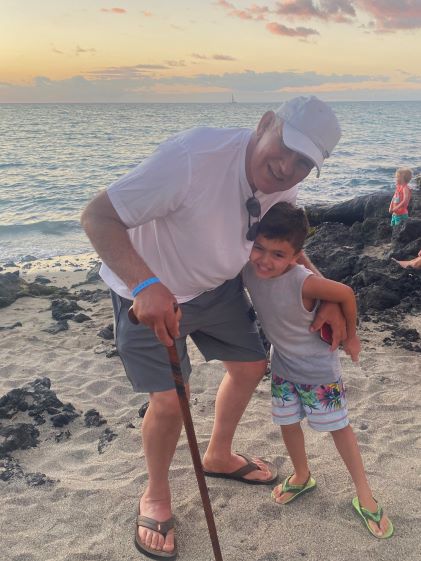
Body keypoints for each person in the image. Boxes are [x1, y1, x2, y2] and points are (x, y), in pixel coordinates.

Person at [81, 96, 344, 559]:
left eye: (304, 162)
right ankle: (157, 494)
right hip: (149, 293)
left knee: (250, 366)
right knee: (169, 402)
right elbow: (97, 216)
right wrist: (145, 283)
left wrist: (324, 295)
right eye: (284, 148)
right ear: (265, 124)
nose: (286, 168)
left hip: (216, 288)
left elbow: (285, 245)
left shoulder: (283, 186)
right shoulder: (193, 158)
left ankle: (218, 454)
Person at [243, 202, 394, 539]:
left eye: (278, 254)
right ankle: (301, 475)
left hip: (319, 374)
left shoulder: (305, 282)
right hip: (282, 366)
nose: (266, 260)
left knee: (339, 428)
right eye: (259, 248)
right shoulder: (249, 269)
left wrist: (352, 337)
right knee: (287, 422)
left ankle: (365, 495)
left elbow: (346, 293)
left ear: (296, 255)